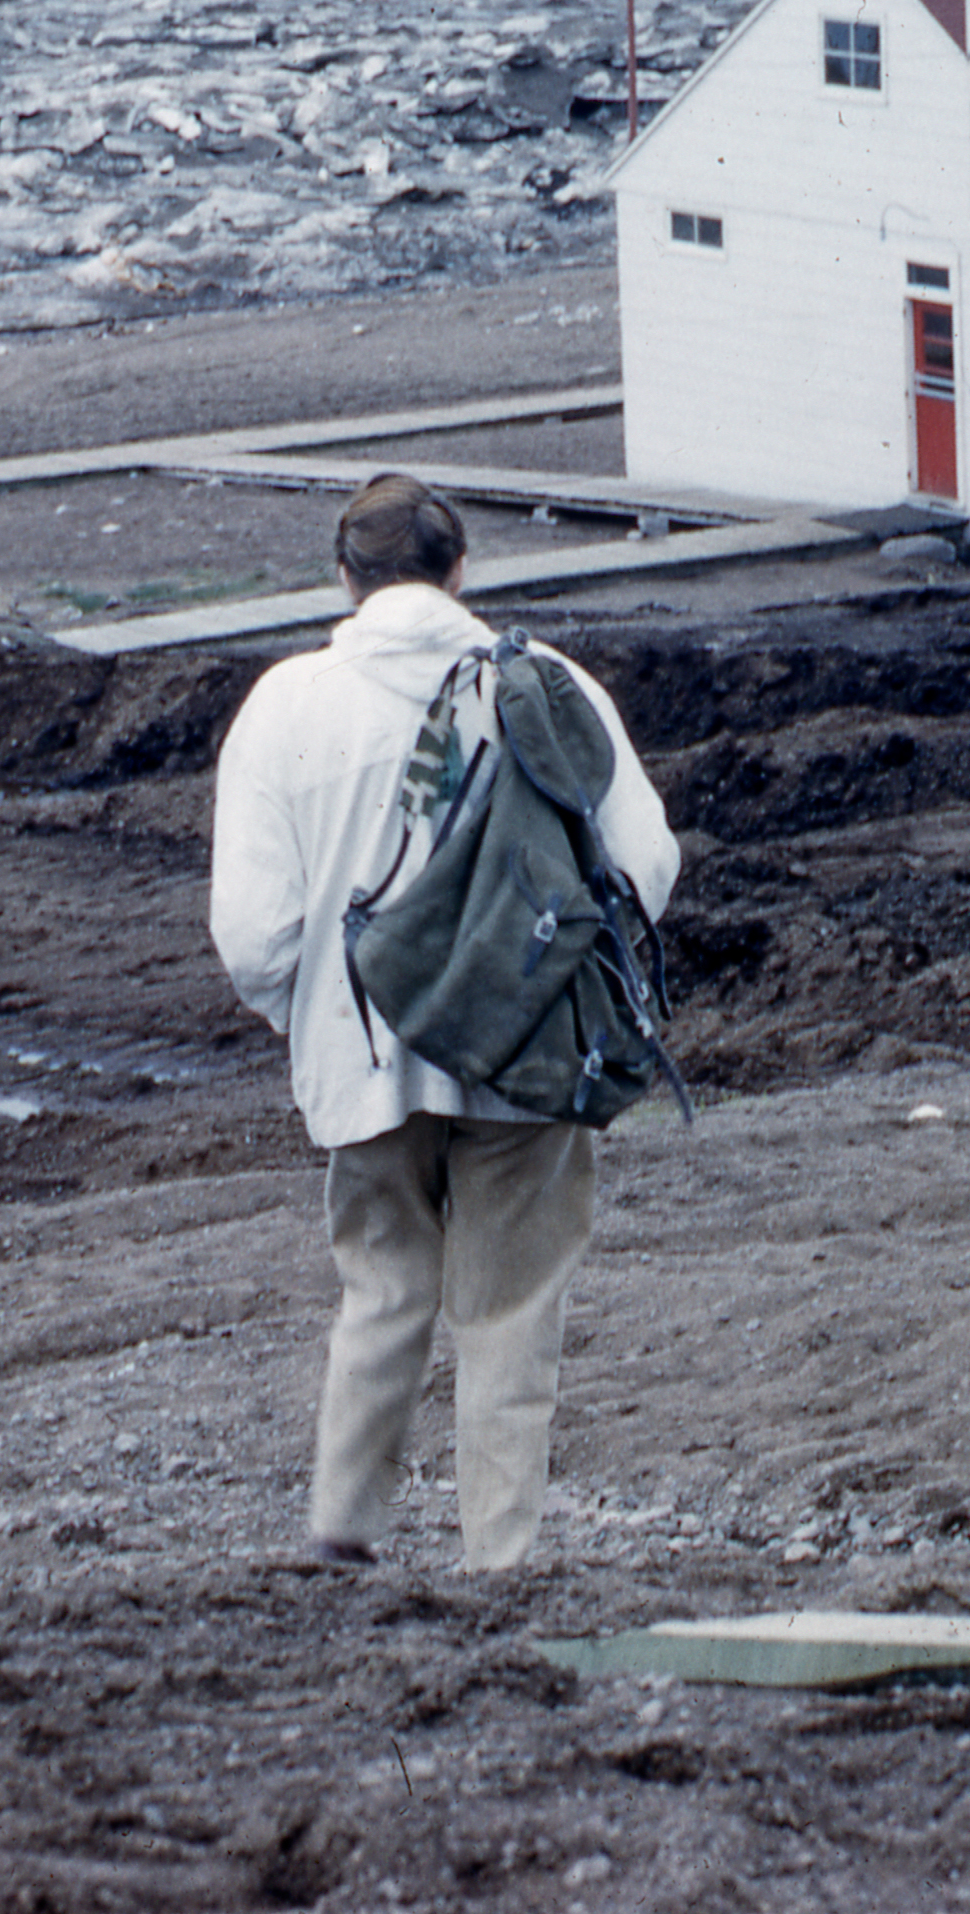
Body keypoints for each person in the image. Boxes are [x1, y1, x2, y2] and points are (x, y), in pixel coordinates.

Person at [208, 471, 679, 1572]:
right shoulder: (550, 683)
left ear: (347, 580)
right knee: (509, 1312)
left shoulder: (282, 706)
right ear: (460, 570)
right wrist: (542, 981)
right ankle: (497, 1560)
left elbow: (253, 936)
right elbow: (643, 862)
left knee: (382, 1291)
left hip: (362, 1056)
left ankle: (342, 1532)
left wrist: (323, 1015)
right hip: (527, 1057)